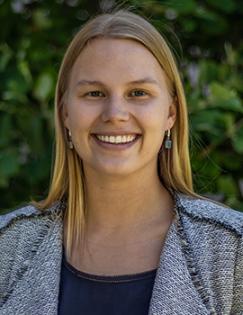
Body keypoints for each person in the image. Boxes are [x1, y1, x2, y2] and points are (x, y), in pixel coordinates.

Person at [0, 8, 242, 315]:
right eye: (94, 93)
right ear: (64, 114)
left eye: (138, 93)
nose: (115, 113)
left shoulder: (232, 253)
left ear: (171, 113)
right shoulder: (7, 248)